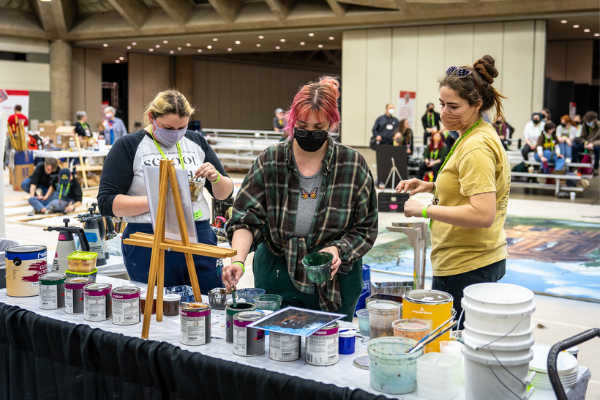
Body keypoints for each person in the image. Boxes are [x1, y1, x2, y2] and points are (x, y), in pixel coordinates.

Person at [222, 77, 378, 321]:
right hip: (276, 275)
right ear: (291, 121)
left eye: (319, 129)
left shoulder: (352, 165)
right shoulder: (270, 161)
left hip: (334, 281)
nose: (309, 134)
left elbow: (366, 228)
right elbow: (244, 219)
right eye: (302, 126)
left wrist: (338, 249)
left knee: (328, 352)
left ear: (333, 124)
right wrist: (238, 261)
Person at [395, 55, 510, 325]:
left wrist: (425, 209)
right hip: (470, 260)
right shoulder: (471, 134)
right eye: (442, 104)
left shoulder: (475, 146)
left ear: (476, 105)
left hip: (468, 264)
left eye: (454, 106)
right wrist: (433, 185)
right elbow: (472, 185)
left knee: (454, 346)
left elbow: (483, 213)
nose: (444, 112)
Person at [98, 90, 234, 292]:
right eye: (168, 128)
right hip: (148, 237)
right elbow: (107, 204)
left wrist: (216, 178)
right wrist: (160, 199)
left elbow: (224, 194)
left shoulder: (195, 141)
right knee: (159, 310)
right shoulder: (128, 146)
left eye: (182, 127)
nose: (176, 133)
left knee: (208, 305)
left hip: (199, 233)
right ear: (152, 117)